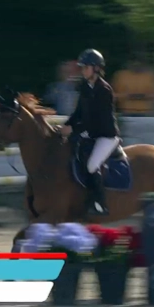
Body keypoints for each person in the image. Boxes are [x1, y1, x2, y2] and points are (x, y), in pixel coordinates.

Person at [59, 49, 120, 216]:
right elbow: (78, 113)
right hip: (92, 133)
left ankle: (100, 203)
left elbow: (96, 120)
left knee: (92, 165)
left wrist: (74, 129)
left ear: (96, 68)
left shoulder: (104, 90)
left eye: (86, 67)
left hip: (106, 136)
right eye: (82, 68)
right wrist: (65, 125)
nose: (83, 71)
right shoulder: (85, 87)